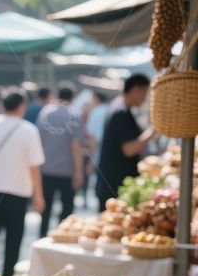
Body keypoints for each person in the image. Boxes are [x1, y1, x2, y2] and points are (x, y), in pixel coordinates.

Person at [0, 88, 45, 276]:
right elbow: (34, 167)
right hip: (19, 192)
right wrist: (39, 195)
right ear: (22, 106)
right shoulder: (29, 130)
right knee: (13, 240)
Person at [96, 75, 154, 210]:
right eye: (145, 93)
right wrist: (153, 130)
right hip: (115, 185)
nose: (145, 98)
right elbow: (129, 149)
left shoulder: (119, 107)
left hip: (114, 182)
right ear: (135, 89)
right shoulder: (121, 112)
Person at [36, 84, 84, 237]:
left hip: (46, 170)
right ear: (73, 97)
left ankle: (42, 237)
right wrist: (79, 172)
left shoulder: (46, 112)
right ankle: (62, 238)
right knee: (66, 211)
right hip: (67, 172)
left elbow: (39, 140)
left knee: (46, 210)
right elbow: (76, 147)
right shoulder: (74, 115)